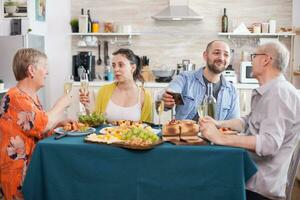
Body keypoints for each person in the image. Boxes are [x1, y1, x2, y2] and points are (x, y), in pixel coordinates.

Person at [199, 41, 300, 200]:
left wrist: (220, 138)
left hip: (259, 187)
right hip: (251, 174)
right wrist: (219, 123)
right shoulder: (270, 91)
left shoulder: (279, 94)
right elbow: (248, 121)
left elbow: (269, 144)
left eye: (254, 56)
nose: (251, 61)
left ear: (266, 59)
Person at [0, 48, 72, 199]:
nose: (47, 72)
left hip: (30, 169)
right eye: (44, 67)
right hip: (17, 174)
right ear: (31, 70)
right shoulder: (15, 97)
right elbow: (43, 124)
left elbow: (36, 131)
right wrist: (61, 104)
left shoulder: (30, 98)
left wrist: (59, 124)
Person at [162, 40, 240, 120]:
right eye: (216, 53)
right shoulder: (185, 78)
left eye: (226, 55)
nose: (221, 58)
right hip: (185, 131)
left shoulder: (232, 91)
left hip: (216, 132)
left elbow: (232, 124)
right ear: (205, 56)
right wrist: (167, 101)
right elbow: (170, 94)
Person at [80, 48, 153, 123]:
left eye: (121, 65)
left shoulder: (145, 95)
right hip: (107, 135)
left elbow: (147, 129)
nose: (116, 69)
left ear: (133, 67)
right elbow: (97, 123)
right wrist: (88, 106)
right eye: (114, 65)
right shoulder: (104, 91)